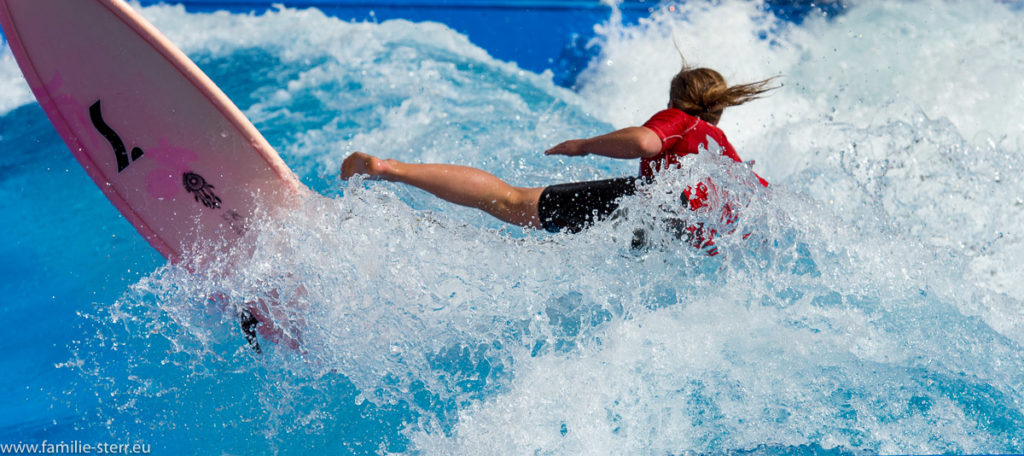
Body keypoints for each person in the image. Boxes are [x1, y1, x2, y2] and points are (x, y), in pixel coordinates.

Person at [340, 66, 775, 251]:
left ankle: (387, 168)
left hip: (656, 209)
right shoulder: (726, 157)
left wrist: (585, 144)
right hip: (683, 234)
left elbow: (645, 143)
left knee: (512, 203)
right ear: (720, 109)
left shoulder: (682, 121)